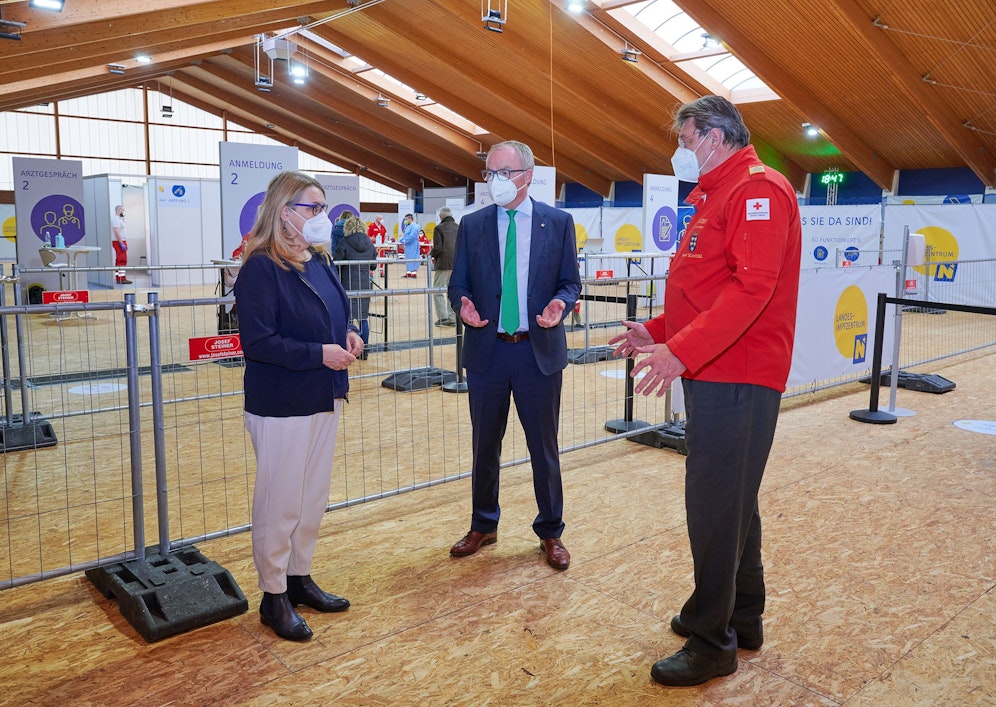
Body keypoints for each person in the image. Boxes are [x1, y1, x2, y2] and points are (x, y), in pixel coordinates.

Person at [609, 95, 802, 687]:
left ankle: (711, 644)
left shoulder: (757, 190)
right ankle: (738, 617)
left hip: (738, 372)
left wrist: (680, 352)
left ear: (715, 137)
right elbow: (708, 291)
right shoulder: (718, 194)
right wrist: (660, 331)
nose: (681, 151)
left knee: (715, 504)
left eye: (686, 139)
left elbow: (752, 291)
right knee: (733, 497)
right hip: (719, 369)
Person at [234, 171, 364, 642]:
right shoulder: (261, 268)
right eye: (313, 207)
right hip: (281, 403)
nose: (321, 217)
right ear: (284, 211)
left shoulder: (319, 261)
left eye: (323, 208)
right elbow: (259, 342)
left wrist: (348, 336)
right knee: (280, 502)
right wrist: (318, 354)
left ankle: (298, 577)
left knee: (311, 499)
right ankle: (273, 595)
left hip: (322, 394)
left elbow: (336, 315)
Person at [447, 140, 581, 571]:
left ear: (527, 174)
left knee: (544, 448)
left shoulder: (557, 223)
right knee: (485, 445)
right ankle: (483, 524)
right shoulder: (473, 225)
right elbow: (458, 284)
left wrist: (562, 304)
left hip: (536, 352)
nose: (495, 181)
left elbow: (569, 283)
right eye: (489, 173)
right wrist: (462, 304)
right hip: (487, 351)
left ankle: (551, 531)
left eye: (503, 172)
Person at [335, 214, 378, 355]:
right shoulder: (369, 243)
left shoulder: (344, 242)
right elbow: (373, 266)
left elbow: (336, 264)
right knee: (363, 318)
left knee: (347, 319)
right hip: (364, 284)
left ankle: (349, 348)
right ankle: (364, 350)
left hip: (346, 285)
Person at [430, 207, 458, 326]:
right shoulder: (458, 227)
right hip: (456, 264)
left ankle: (443, 317)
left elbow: (438, 248)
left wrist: (431, 254)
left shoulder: (438, 228)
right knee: (452, 291)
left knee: (438, 290)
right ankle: (453, 317)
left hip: (443, 264)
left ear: (441, 217)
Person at [111, 205, 132, 284]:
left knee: (119, 261)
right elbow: (116, 231)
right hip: (119, 242)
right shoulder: (116, 219)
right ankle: (121, 278)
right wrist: (121, 243)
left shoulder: (118, 219)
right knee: (121, 261)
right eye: (123, 210)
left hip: (120, 241)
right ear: (119, 210)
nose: (124, 212)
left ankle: (119, 277)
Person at [400, 213, 420, 278]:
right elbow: (405, 235)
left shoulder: (414, 226)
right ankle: (408, 273)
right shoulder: (408, 226)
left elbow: (412, 236)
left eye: (406, 219)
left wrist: (405, 241)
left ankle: (413, 273)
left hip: (413, 245)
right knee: (408, 258)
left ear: (410, 219)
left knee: (413, 258)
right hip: (408, 246)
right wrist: (401, 240)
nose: (405, 221)